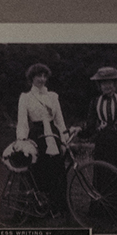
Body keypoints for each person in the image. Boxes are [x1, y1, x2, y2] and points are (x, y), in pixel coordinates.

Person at [15, 63, 68, 218]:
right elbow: (22, 122)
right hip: (37, 137)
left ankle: (56, 208)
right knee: (37, 172)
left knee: (56, 172)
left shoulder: (53, 96)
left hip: (53, 135)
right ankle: (37, 209)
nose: (42, 79)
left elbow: (59, 120)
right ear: (32, 77)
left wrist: (64, 140)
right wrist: (22, 141)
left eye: (45, 76)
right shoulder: (25, 98)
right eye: (39, 75)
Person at [86, 67, 117, 173]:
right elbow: (90, 126)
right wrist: (79, 130)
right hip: (103, 146)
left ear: (115, 84)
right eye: (103, 83)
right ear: (99, 85)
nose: (107, 86)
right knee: (104, 179)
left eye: (110, 82)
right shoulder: (95, 102)